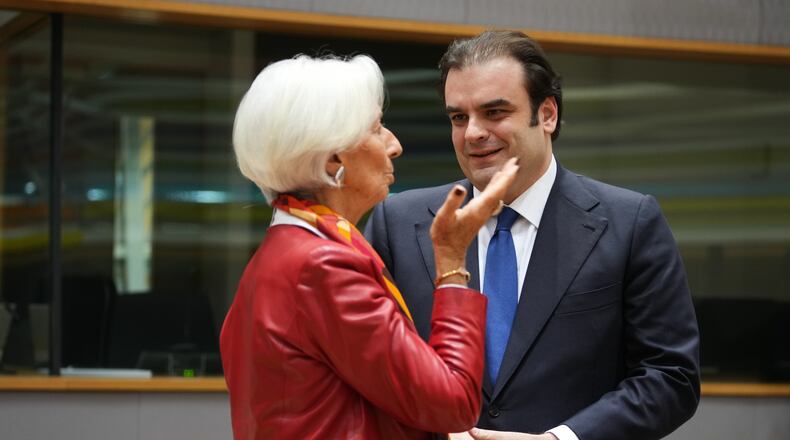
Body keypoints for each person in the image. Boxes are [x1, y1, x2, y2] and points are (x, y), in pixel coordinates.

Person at [365, 30, 700, 440]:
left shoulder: (629, 223)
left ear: (547, 115)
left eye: (494, 112)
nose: (472, 133)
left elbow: (670, 376)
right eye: (458, 117)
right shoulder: (397, 222)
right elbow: (370, 368)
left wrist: (560, 439)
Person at [219, 53, 520, 439]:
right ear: (333, 162)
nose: (394, 145)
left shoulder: (286, 249)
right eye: (377, 129)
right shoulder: (323, 266)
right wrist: (450, 262)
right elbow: (454, 405)